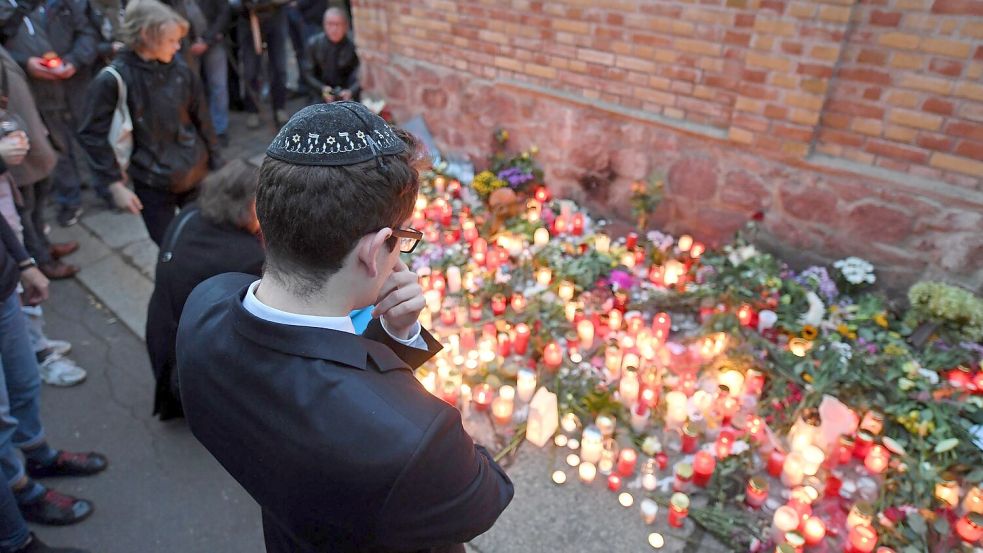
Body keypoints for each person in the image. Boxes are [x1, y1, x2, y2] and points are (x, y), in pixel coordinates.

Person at [177, 102, 513, 553]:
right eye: (404, 240)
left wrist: (397, 338)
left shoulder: (205, 305)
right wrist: (471, 439)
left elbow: (317, 379)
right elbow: (486, 498)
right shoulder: (416, 439)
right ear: (376, 250)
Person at [77, 0, 221, 247]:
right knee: (169, 246)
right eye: (171, 40)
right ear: (146, 35)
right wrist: (113, 183)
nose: (177, 47)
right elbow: (91, 133)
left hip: (195, 172)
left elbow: (202, 120)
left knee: (202, 241)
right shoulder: (114, 80)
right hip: (152, 181)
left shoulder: (180, 70)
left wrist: (217, 164)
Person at [0, 206, 107, 531]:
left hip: (3, 290)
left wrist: (24, 262)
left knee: (25, 383)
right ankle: (20, 492)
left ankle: (38, 456)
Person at [146, 159, 263, 420]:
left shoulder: (188, 215)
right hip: (196, 353)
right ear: (245, 207)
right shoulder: (245, 256)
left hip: (161, 327)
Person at [0, 0, 98, 229]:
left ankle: (109, 188)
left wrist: (73, 61)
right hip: (40, 93)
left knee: (91, 136)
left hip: (77, 87)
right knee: (58, 146)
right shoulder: (8, 10)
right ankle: (69, 200)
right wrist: (27, 63)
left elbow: (88, 33)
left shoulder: (68, 3)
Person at [237, 0, 288, 128]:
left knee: (279, 67)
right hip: (248, 19)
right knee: (250, 70)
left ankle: (279, 107)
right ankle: (253, 110)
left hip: (275, 17)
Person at [301, 7, 359, 105]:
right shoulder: (314, 44)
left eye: (337, 24)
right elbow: (307, 74)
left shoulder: (354, 46)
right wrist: (322, 89)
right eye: (330, 24)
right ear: (324, 25)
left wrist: (351, 91)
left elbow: (361, 76)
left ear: (345, 26)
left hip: (347, 94)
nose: (334, 29)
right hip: (320, 93)